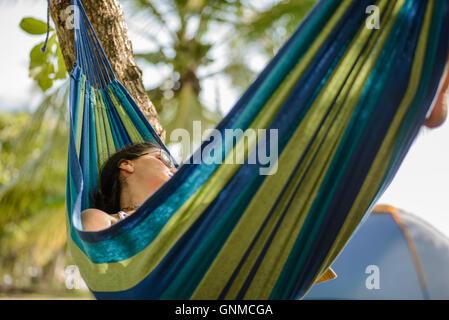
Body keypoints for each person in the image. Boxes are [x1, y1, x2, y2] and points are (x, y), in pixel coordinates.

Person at [81, 142, 177, 231]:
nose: (174, 170)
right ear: (126, 165)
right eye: (165, 159)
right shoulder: (101, 219)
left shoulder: (179, 219)